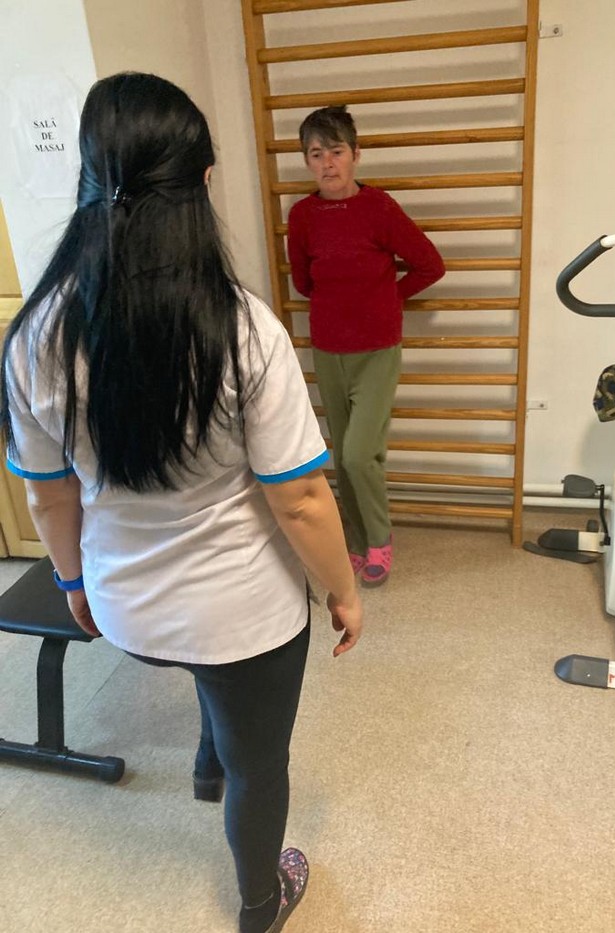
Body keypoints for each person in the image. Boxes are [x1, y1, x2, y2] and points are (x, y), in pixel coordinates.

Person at [0, 73, 363, 933]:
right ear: (202, 182)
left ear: (89, 180)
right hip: (243, 617)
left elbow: (48, 496)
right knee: (260, 764)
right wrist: (344, 590)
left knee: (214, 678)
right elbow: (302, 498)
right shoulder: (244, 328)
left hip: (127, 608)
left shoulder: (36, 335)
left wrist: (74, 581)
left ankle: (206, 763)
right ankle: (260, 903)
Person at [287, 105, 445, 588]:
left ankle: (379, 537)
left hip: (377, 349)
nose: (327, 163)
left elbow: (430, 265)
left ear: (356, 154)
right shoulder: (303, 215)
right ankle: (355, 540)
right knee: (344, 454)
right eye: (317, 154)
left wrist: (386, 299)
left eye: (336, 152)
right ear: (307, 161)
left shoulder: (379, 208)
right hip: (328, 348)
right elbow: (303, 281)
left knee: (360, 454)